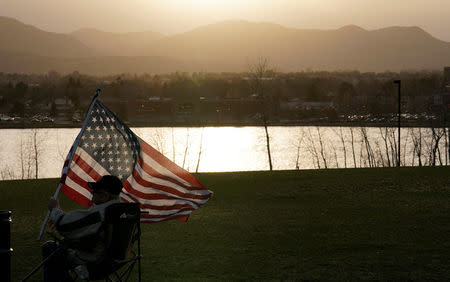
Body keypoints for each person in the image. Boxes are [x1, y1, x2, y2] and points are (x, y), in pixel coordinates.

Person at [42, 175, 123, 282]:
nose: (91, 194)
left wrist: (55, 209)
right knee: (66, 241)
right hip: (112, 260)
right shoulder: (120, 210)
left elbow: (64, 225)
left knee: (49, 247)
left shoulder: (101, 213)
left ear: (105, 196)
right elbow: (79, 225)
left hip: (93, 261)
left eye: (95, 192)